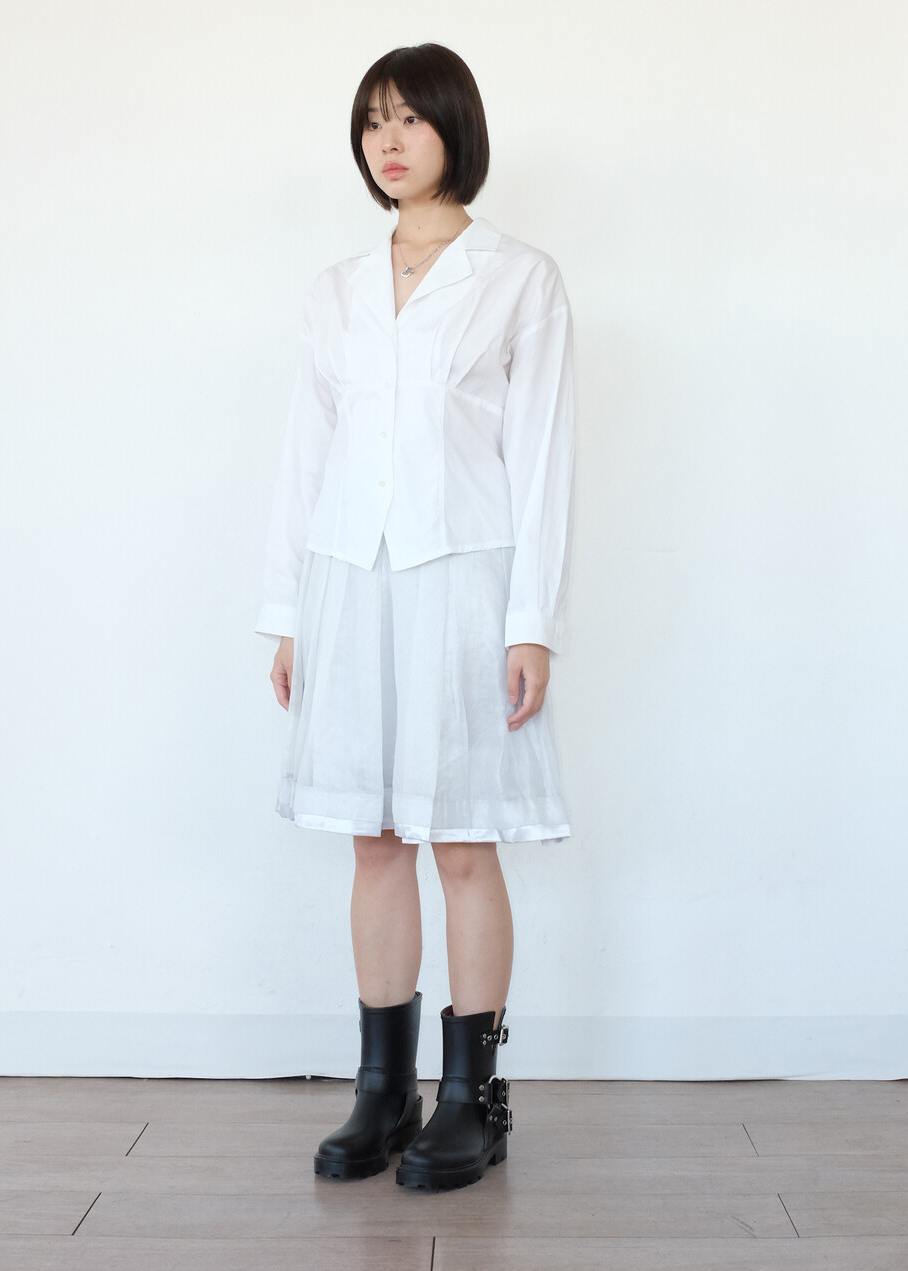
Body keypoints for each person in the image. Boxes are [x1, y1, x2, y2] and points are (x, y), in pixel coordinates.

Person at [254, 42, 576, 1192]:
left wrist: (531, 620)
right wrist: (289, 610)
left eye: (409, 119)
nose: (387, 141)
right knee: (374, 836)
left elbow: (541, 461)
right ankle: (382, 1090)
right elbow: (308, 455)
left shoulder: (518, 278)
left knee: (461, 837)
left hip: (464, 583)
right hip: (351, 581)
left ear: (455, 130)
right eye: (371, 121)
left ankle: (472, 1099)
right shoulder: (335, 288)